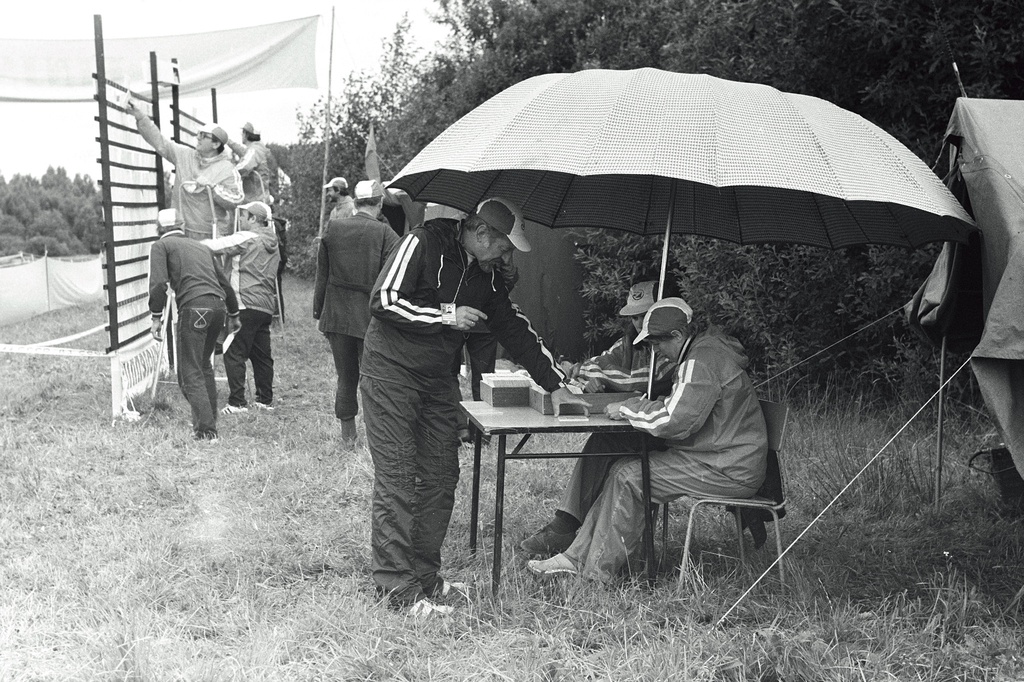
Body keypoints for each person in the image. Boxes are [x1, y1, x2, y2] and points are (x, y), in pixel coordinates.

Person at [359, 196, 590, 617]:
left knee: (441, 475)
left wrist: (556, 384)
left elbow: (516, 330)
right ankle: (397, 589)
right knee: (397, 476)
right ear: (482, 233)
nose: (506, 256)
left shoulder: (490, 276)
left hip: (438, 380)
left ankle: (426, 578)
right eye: (503, 246)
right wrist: (446, 315)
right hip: (389, 373)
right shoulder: (421, 242)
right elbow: (384, 300)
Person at [525, 298, 769, 583]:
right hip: (721, 456)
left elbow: (674, 421)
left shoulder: (700, 362)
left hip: (727, 467)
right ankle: (577, 558)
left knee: (630, 476)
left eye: (657, 344)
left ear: (678, 336)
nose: (656, 352)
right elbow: (679, 407)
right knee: (625, 470)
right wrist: (638, 406)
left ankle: (594, 575)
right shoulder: (704, 352)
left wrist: (629, 408)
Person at [518, 280, 675, 556]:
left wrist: (604, 378)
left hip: (665, 436)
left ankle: (571, 533)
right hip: (638, 428)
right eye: (634, 317)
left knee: (609, 448)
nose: (638, 323)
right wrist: (593, 376)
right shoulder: (630, 342)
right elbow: (591, 365)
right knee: (602, 441)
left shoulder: (670, 344)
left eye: (644, 315)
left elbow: (648, 379)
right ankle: (565, 526)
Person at [313, 180, 400, 445]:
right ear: (380, 203)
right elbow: (393, 282)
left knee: (345, 377)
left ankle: (348, 437)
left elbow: (322, 275)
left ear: (357, 202)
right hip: (371, 317)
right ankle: (379, 436)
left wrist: (319, 312)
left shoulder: (334, 228)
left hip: (336, 315)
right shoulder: (386, 234)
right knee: (374, 378)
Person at [148, 208, 240, 441]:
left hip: (193, 307)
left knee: (189, 373)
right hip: (218, 307)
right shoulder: (202, 247)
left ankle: (207, 430)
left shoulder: (161, 246)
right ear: (182, 226)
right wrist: (234, 313)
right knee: (203, 366)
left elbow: (159, 284)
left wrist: (156, 317)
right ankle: (207, 421)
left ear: (159, 229)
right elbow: (225, 284)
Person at [126, 99, 244, 240]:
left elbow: (237, 199)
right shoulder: (185, 155)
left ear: (216, 144)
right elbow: (160, 142)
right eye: (198, 134)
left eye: (203, 136)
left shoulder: (228, 169)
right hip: (180, 231)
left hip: (210, 236)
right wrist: (140, 117)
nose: (198, 138)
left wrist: (212, 188)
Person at [203, 201, 281, 413]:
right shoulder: (273, 242)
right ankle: (265, 400)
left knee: (233, 351)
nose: (242, 220)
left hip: (244, 302)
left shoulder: (247, 237)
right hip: (265, 305)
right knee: (261, 355)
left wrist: (188, 245)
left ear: (254, 219)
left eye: (245, 216)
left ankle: (237, 402)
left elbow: (215, 246)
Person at [228, 121, 277, 203]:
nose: (241, 135)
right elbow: (242, 151)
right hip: (258, 200)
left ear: (246, 134)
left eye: (242, 133)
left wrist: (225, 175)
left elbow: (244, 167)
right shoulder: (256, 148)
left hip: (254, 203)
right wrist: (227, 141)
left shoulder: (254, 150)